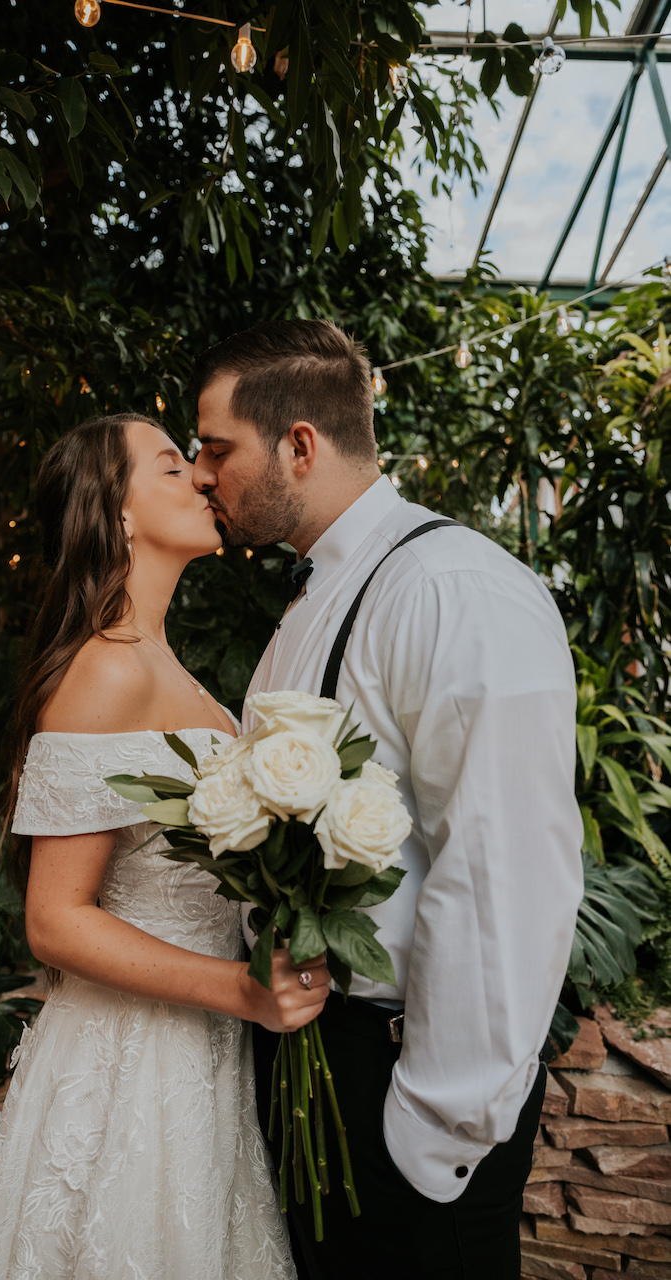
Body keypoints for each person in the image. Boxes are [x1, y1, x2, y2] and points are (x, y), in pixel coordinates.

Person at [191, 321, 584, 1280]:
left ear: (299, 444)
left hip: (400, 1095)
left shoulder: (453, 590)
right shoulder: (323, 591)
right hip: (320, 1066)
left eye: (214, 448)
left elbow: (502, 873)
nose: (201, 474)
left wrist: (432, 1128)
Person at [0, 413, 329, 1280]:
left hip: (202, 1053)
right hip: (132, 1065)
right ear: (115, 512)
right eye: (170, 464)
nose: (202, 477)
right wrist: (241, 991)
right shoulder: (108, 668)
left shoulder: (169, 664)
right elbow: (54, 923)